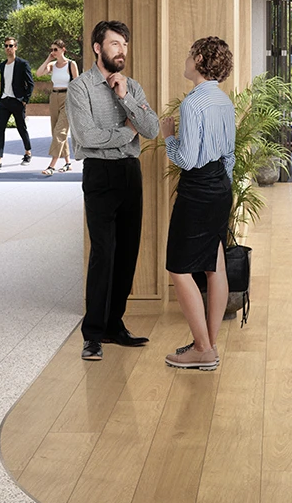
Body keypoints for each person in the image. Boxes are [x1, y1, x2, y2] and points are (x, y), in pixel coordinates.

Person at [67, 20, 159, 361]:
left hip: (130, 173)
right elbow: (87, 137)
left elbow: (151, 129)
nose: (122, 50)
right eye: (115, 44)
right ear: (98, 48)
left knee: (127, 252)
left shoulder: (131, 86)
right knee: (103, 253)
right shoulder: (80, 88)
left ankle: (113, 325)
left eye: (125, 44)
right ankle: (92, 334)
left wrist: (126, 99)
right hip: (99, 175)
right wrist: (127, 132)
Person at [162, 37, 236, 371]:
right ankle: (208, 345)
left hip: (197, 189)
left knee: (179, 268)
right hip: (220, 185)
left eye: (190, 54)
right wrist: (221, 187)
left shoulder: (192, 104)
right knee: (214, 264)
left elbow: (188, 159)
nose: (186, 59)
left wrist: (169, 137)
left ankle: (202, 349)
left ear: (200, 60)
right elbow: (229, 155)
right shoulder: (224, 101)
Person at [0, 36, 33, 170]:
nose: (8, 48)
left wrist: (25, 100)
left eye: (11, 46)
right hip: (4, 101)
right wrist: (1, 99)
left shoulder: (22, 64)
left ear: (15, 47)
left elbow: (30, 83)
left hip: (17, 101)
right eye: (6, 46)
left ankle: (28, 152)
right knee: (0, 130)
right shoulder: (2, 65)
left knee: (21, 128)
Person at [39, 39, 79, 175]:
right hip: (54, 97)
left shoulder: (71, 64)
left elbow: (77, 84)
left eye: (56, 49)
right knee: (55, 130)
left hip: (67, 98)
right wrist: (48, 59)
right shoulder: (52, 65)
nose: (53, 52)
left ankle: (52, 166)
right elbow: (39, 73)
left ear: (63, 49)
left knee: (60, 132)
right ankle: (68, 163)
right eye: (51, 50)